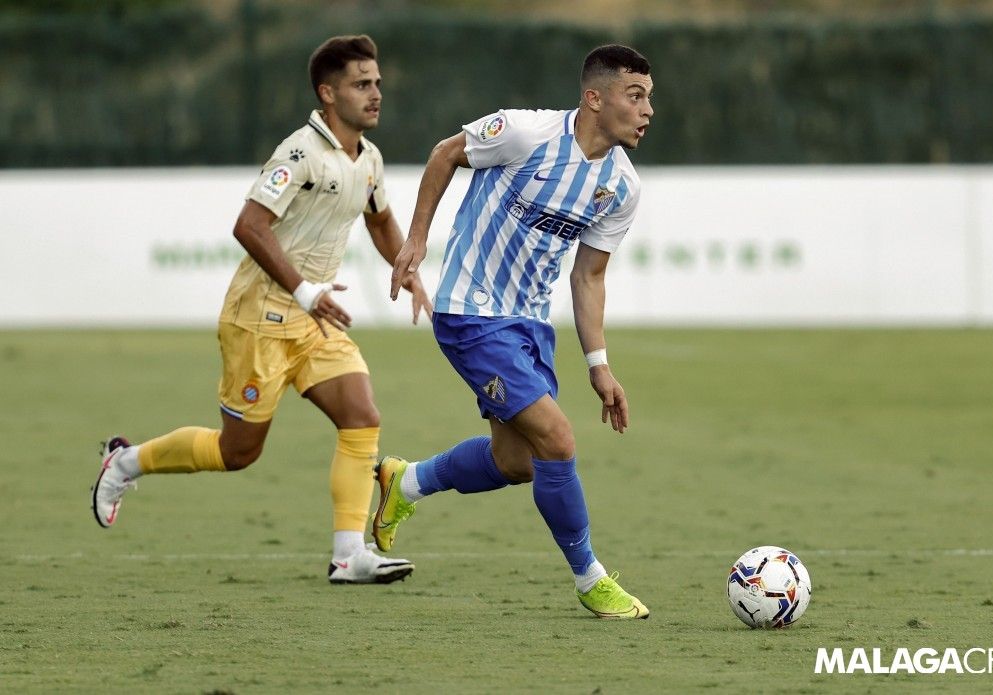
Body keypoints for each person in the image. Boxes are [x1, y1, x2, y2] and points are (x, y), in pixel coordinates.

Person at [91, 35, 432, 585]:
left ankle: (348, 556)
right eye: (361, 84)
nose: (375, 94)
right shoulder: (299, 153)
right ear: (328, 93)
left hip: (315, 317)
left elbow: (378, 217)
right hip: (260, 318)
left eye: (377, 84)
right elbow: (248, 226)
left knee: (361, 416)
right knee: (238, 452)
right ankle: (125, 463)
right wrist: (304, 291)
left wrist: (406, 266)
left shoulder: (367, 158)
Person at [377, 44, 653, 618]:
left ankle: (405, 483)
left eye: (650, 97)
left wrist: (599, 366)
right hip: (471, 311)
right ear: (594, 98)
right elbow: (444, 154)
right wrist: (417, 240)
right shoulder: (526, 134)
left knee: (519, 462)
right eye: (636, 95)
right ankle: (591, 579)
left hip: (529, 323)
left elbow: (589, 277)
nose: (648, 109)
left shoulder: (621, 188)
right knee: (557, 440)